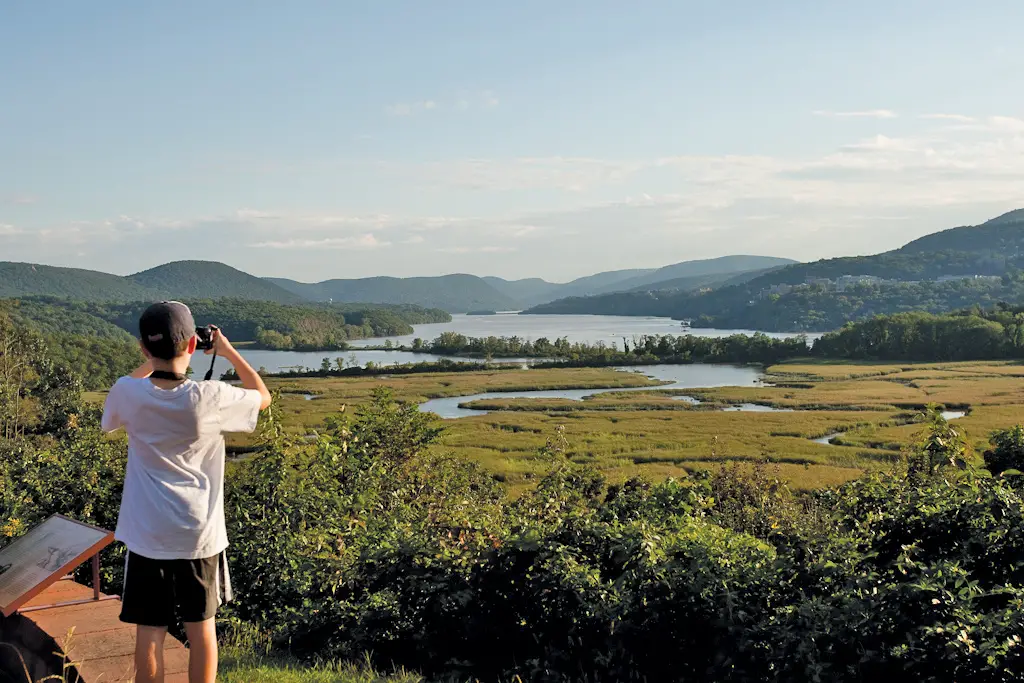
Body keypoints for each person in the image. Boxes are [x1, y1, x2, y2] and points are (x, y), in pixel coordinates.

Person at [101, 301, 272, 683]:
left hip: (147, 534)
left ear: (143, 348)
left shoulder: (127, 393)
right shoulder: (209, 396)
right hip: (199, 534)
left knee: (149, 632)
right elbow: (262, 397)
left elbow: (118, 403)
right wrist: (226, 351)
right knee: (202, 629)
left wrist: (151, 358)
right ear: (193, 344)